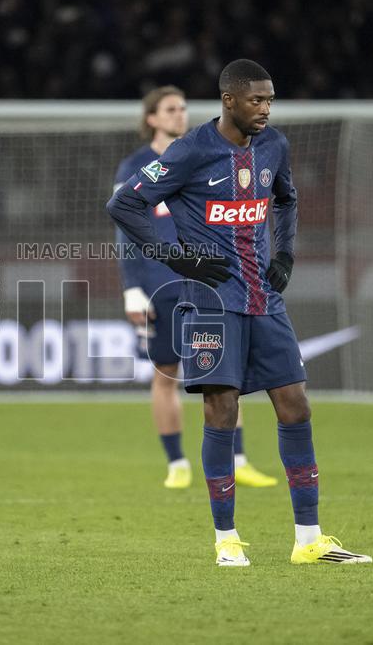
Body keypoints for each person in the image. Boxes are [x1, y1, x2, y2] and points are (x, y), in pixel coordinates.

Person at [107, 60, 372, 566]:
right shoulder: (190, 151)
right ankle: (226, 541)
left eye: (270, 100)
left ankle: (309, 539)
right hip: (209, 302)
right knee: (221, 410)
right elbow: (125, 205)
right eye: (256, 100)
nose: (265, 110)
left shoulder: (274, 146)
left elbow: (286, 200)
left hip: (264, 299)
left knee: (295, 403)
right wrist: (176, 258)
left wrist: (286, 254)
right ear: (229, 100)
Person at [114, 86, 278, 490]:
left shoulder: (202, 152)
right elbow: (125, 227)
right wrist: (132, 287)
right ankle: (176, 464)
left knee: (228, 375)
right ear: (152, 118)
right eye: (170, 109)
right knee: (165, 374)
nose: (179, 114)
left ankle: (238, 459)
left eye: (183, 108)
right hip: (160, 285)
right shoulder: (135, 166)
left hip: (210, 283)